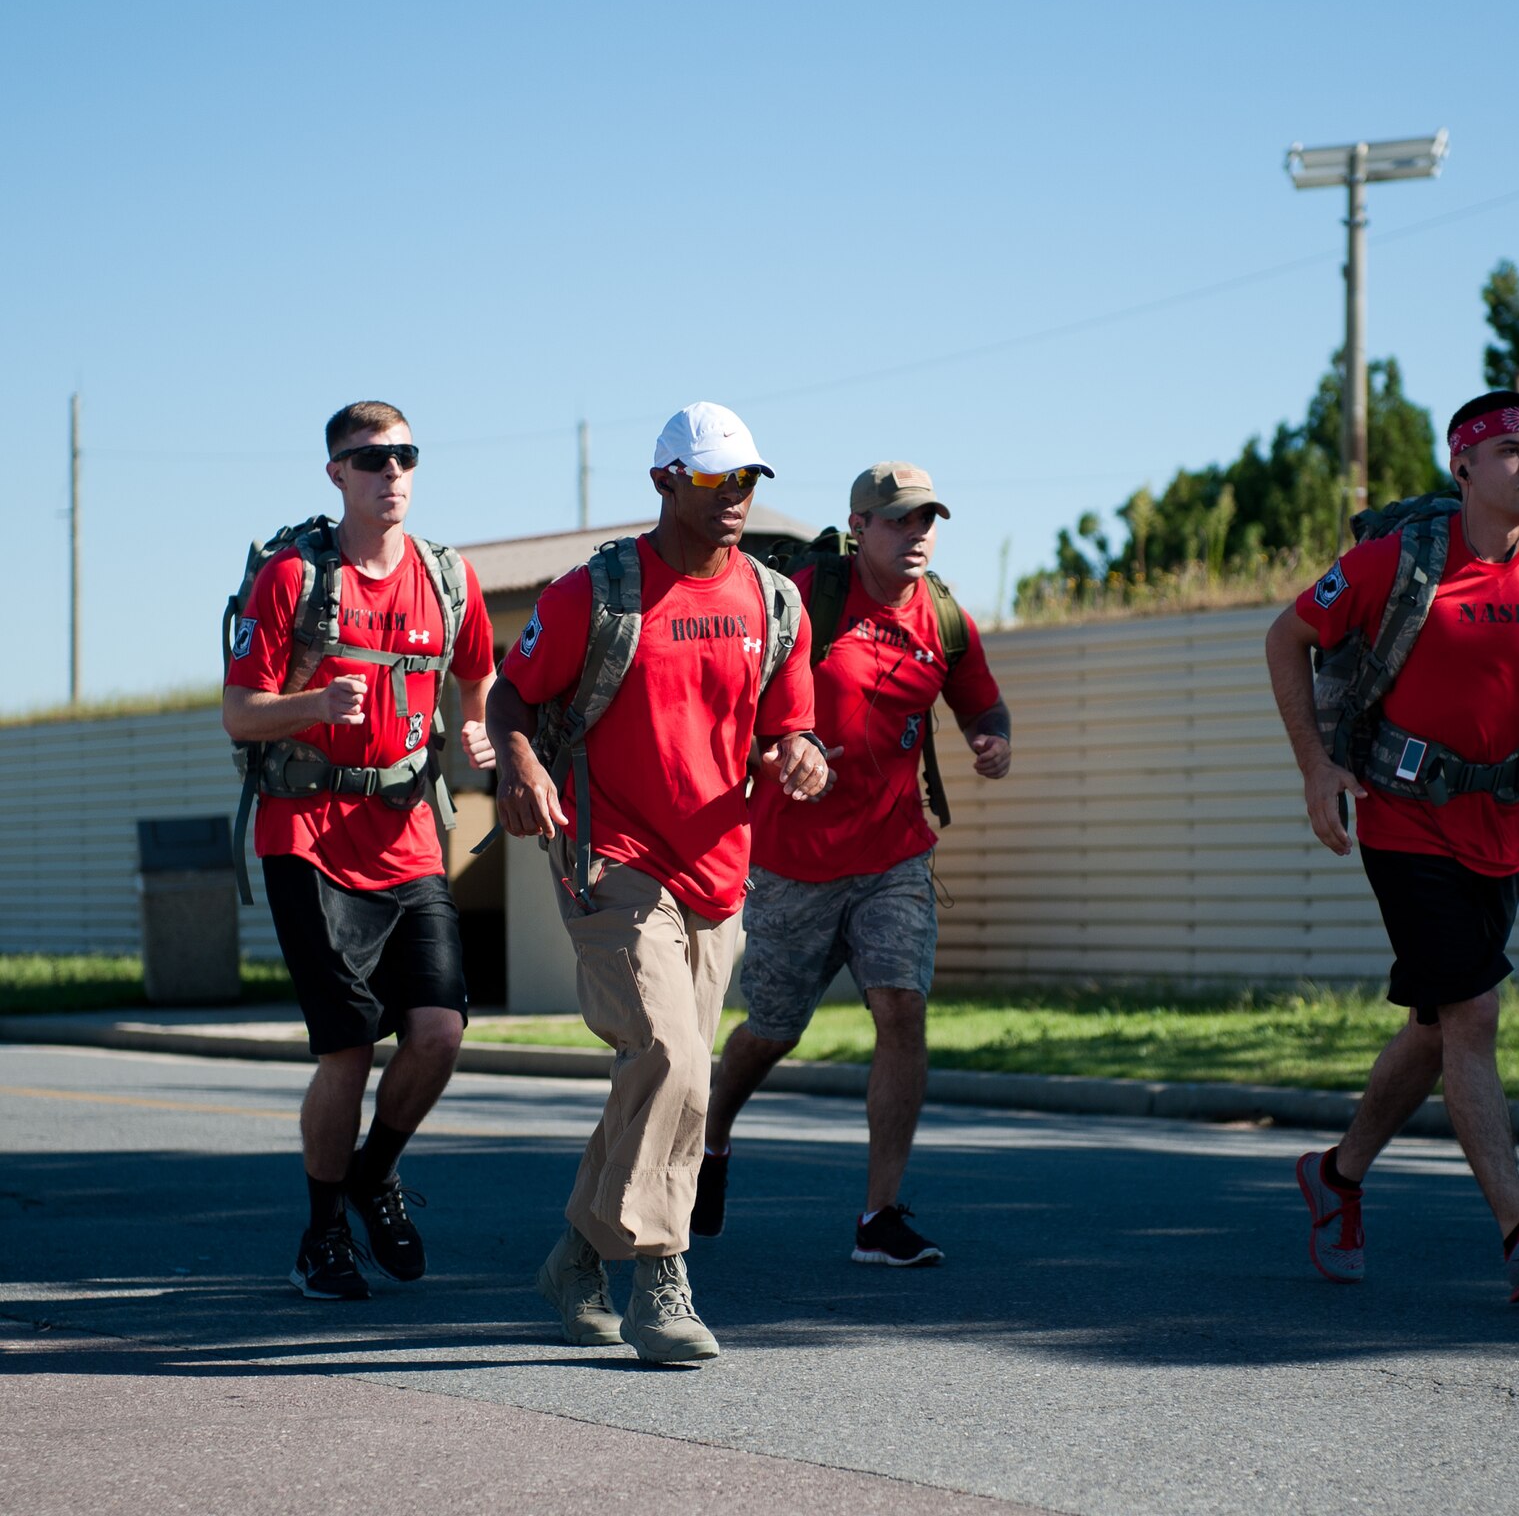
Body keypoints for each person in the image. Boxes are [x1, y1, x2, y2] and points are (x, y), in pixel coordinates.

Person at [1264, 390, 1519, 1303]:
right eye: (1510, 450)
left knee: (1436, 1026)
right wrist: (1317, 767)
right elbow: (1286, 637)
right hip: (1402, 816)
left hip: (1501, 829)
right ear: (1464, 466)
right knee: (1474, 1014)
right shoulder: (1402, 559)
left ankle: (1338, 1177)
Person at [488, 401, 828, 1365]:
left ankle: (574, 1260)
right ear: (665, 482)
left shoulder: (775, 601)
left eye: (748, 481)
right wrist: (520, 763)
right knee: (675, 1060)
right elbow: (515, 691)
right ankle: (660, 1280)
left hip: (720, 870)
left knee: (662, 1076)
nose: (735, 499)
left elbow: (786, 727)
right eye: (716, 480)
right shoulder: (600, 592)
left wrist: (800, 757)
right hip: (610, 855)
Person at [695, 461, 1010, 1267]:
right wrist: (772, 750)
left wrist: (991, 737)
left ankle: (881, 1215)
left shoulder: (945, 618)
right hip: (793, 862)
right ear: (860, 526)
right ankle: (712, 1137)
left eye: (928, 520)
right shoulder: (802, 598)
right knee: (771, 1031)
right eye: (901, 520)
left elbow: (982, 698)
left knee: (901, 1007)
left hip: (894, 856)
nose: (919, 534)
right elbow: (728, 694)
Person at [222, 401, 496, 1302]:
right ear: (336, 473)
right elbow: (239, 711)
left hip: (408, 833)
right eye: (370, 459)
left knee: (439, 1030)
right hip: (305, 834)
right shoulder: (296, 579)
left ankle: (376, 1170)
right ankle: (321, 1233)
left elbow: (478, 671)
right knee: (346, 1048)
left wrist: (483, 727)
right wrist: (313, 706)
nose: (392, 472)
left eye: (404, 455)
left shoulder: (448, 579)